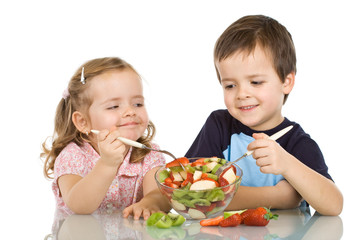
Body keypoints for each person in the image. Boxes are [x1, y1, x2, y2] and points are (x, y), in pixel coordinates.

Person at [185, 15, 343, 215]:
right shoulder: (219, 126)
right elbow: (192, 194)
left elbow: (334, 205)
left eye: (256, 82)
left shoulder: (297, 143)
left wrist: (287, 164)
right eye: (230, 85)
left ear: (286, 82)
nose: (242, 94)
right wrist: (280, 196)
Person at [42, 57, 171, 219]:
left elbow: (161, 194)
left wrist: (152, 202)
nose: (130, 111)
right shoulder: (72, 156)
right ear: (83, 122)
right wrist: (107, 165)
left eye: (138, 104)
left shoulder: (149, 154)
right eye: (114, 106)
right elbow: (79, 205)